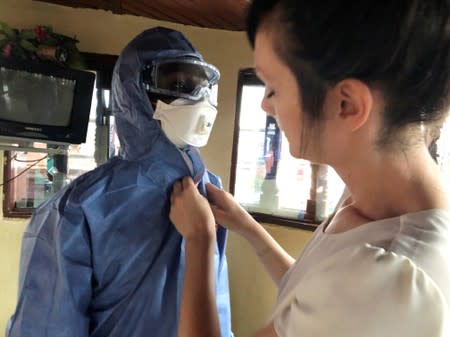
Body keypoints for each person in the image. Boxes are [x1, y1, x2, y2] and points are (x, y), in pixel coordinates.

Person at [169, 1, 450, 337]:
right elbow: (315, 300)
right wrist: (248, 227)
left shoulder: (387, 282)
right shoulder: (373, 191)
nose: (265, 104)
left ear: (347, 104)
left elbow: (345, 297)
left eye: (273, 87)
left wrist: (199, 241)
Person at [7, 26, 233, 337]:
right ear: (135, 94)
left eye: (201, 85)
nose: (197, 99)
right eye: (179, 84)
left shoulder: (211, 192)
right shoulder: (77, 211)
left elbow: (217, 311)